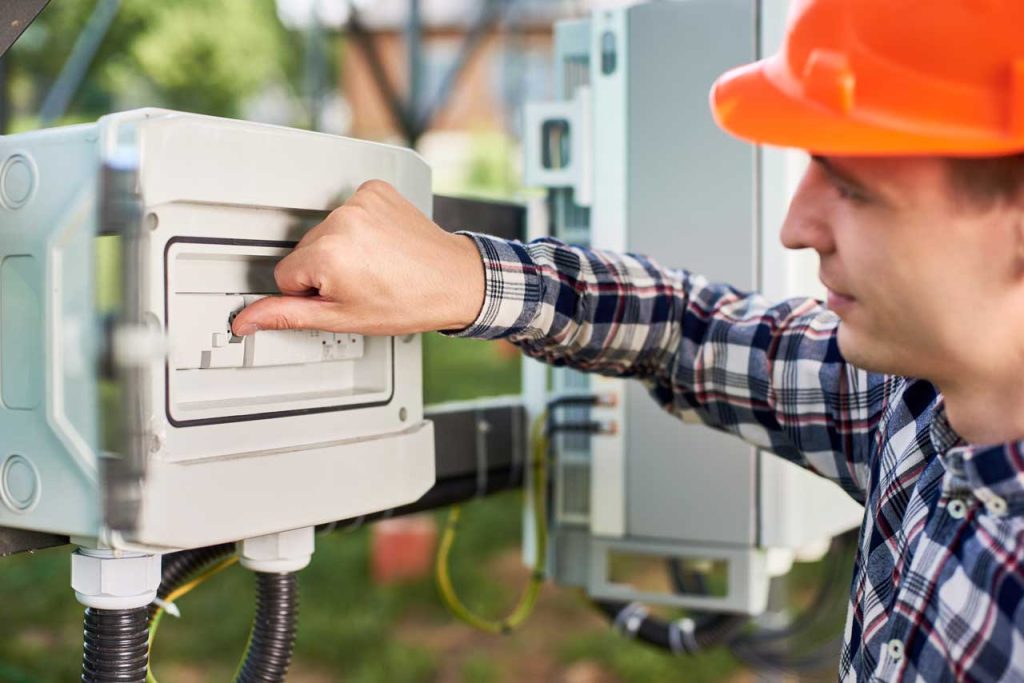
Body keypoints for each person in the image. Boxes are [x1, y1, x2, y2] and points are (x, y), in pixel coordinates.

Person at [232, 1, 1024, 679]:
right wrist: (464, 277)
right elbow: (684, 328)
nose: (795, 228)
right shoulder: (913, 405)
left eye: (853, 187)